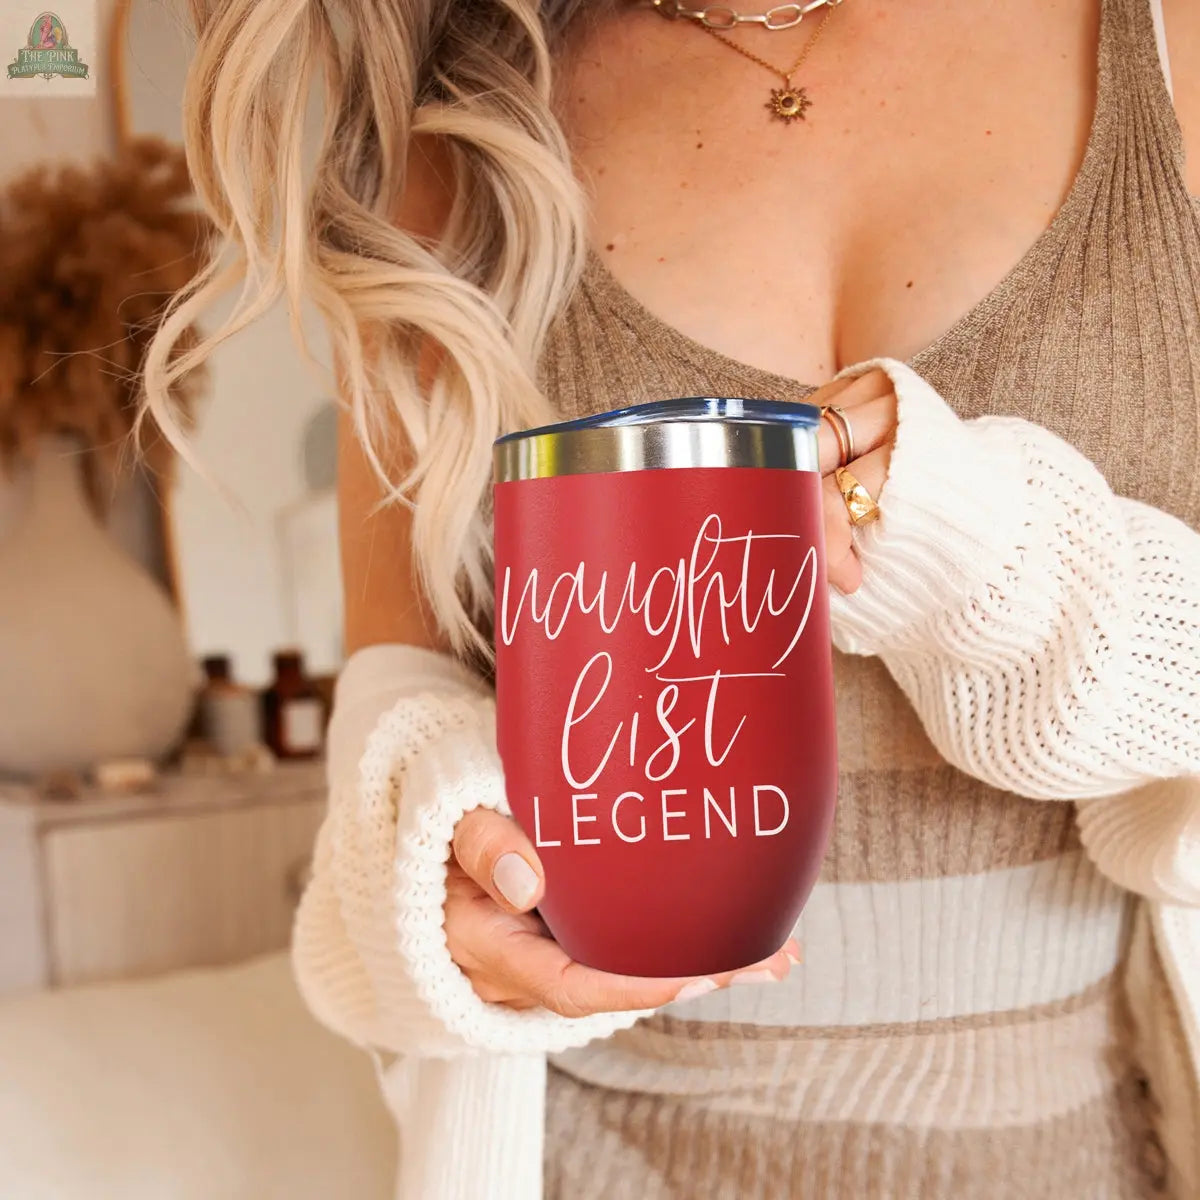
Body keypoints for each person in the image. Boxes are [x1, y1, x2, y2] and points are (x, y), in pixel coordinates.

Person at [142, 0, 1200, 1195]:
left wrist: (987, 552)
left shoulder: (1169, 47)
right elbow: (401, 693)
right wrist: (446, 854)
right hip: (594, 1161)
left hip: (1086, 1152)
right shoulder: (454, 117)